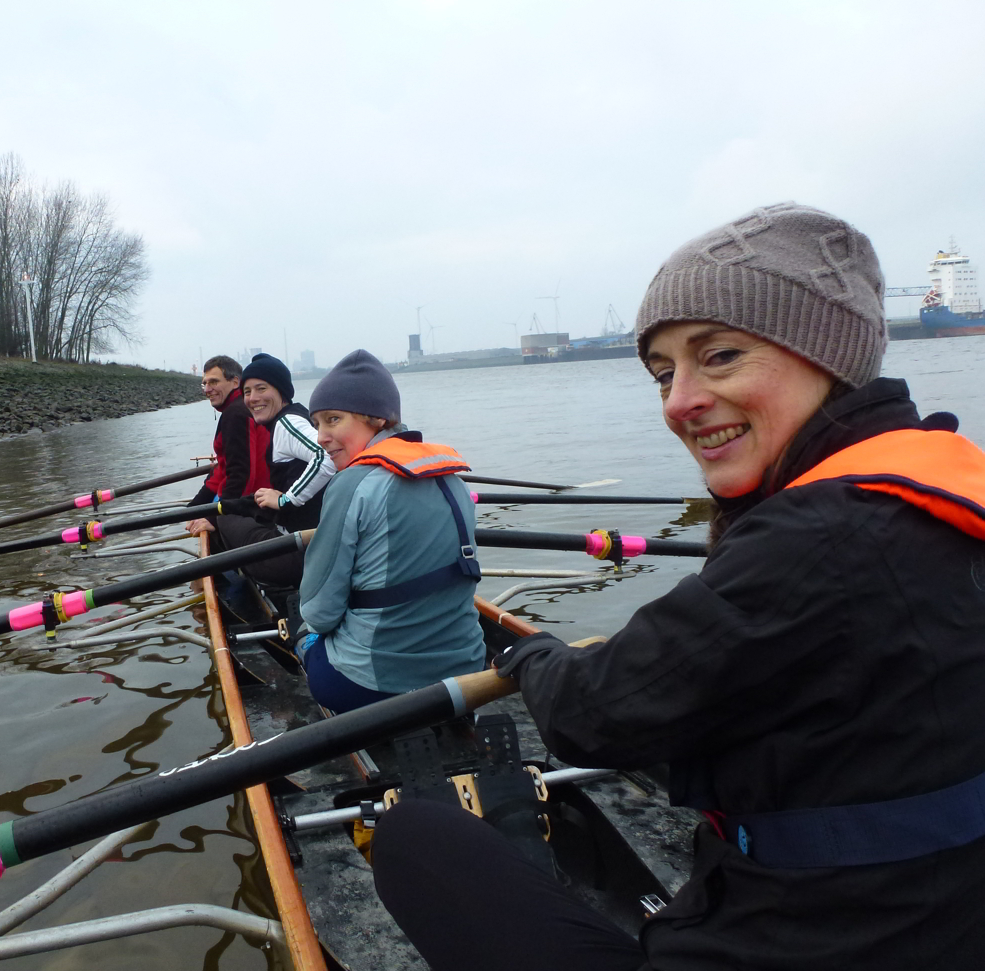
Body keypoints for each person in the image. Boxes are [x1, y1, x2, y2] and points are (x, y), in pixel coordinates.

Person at [371, 203, 985, 970]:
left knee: (411, 837)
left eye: (719, 355)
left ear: (826, 354)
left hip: (805, 937)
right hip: (939, 920)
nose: (677, 401)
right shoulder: (939, 494)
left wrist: (533, 655)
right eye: (664, 373)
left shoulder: (814, 536)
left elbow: (593, 718)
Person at [297, 349, 486, 714]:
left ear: (377, 419)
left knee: (305, 632)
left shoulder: (353, 483)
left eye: (333, 420)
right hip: (468, 671)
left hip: (372, 686)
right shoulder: (452, 479)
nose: (321, 436)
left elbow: (320, 613)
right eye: (317, 423)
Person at [211, 352, 336, 587]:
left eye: (261, 388)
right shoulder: (296, 418)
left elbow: (325, 456)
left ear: (281, 391)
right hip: (309, 546)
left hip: (301, 556)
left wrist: (287, 500)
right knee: (246, 509)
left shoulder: (287, 423)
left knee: (225, 518)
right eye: (247, 392)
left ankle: (247, 586)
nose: (253, 398)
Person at [186, 355, 271, 535]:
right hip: (249, 498)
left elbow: (242, 474)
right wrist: (195, 506)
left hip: (256, 505)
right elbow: (224, 468)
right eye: (205, 384)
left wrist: (215, 520)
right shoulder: (236, 409)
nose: (207, 389)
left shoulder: (236, 414)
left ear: (235, 382)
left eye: (214, 382)